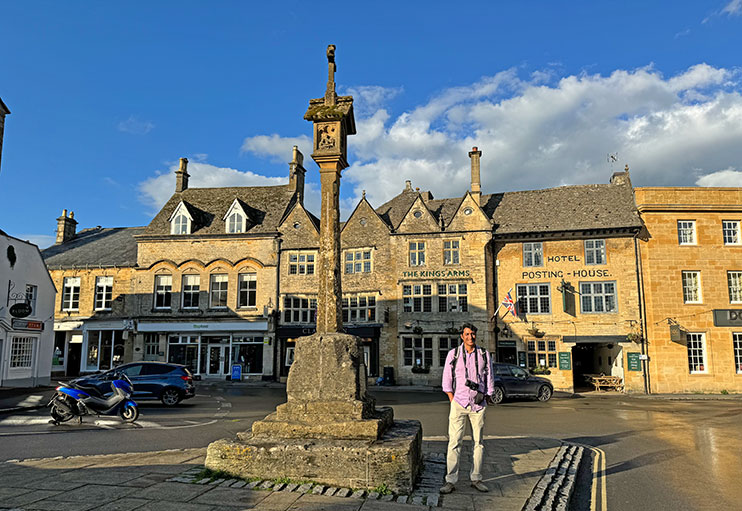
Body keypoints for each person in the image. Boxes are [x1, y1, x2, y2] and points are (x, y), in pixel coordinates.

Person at [439, 322, 495, 494]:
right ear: (462, 336)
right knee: (454, 442)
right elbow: (447, 380)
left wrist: (485, 396)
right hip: (459, 403)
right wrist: (452, 399)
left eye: (473, 334)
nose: (471, 337)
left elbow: (490, 379)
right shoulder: (453, 354)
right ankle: (450, 480)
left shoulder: (484, 354)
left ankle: (476, 478)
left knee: (478, 443)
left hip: (478, 405)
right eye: (467, 334)